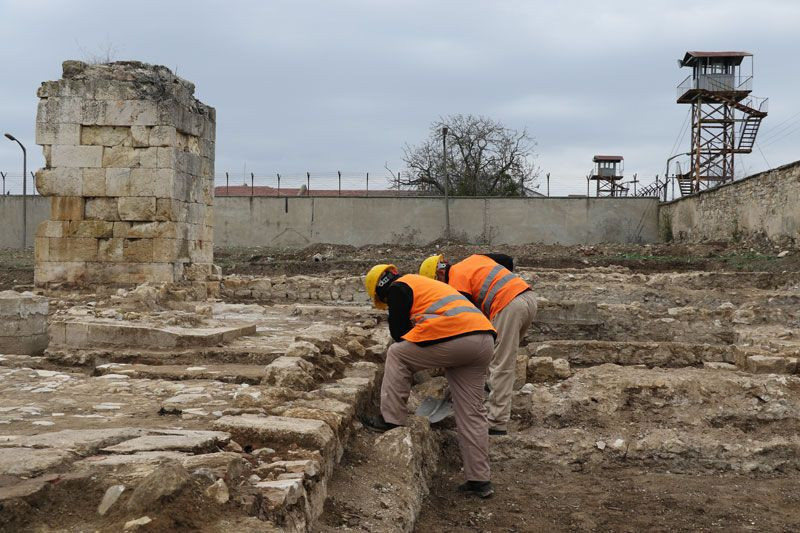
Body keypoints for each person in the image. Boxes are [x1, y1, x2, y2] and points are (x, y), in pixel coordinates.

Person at [363, 263, 496, 498]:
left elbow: (399, 334)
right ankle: (479, 480)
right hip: (483, 339)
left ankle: (391, 419)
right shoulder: (424, 284)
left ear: (379, 289)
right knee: (471, 412)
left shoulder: (398, 288)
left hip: (458, 339)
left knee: (397, 354)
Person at [419, 253, 537, 436]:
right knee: (496, 355)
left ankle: (496, 422)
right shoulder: (473, 260)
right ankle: (491, 393)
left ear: (439, 276)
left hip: (508, 306)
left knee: (501, 364)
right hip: (528, 298)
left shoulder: (456, 283)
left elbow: (466, 326)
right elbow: (506, 260)